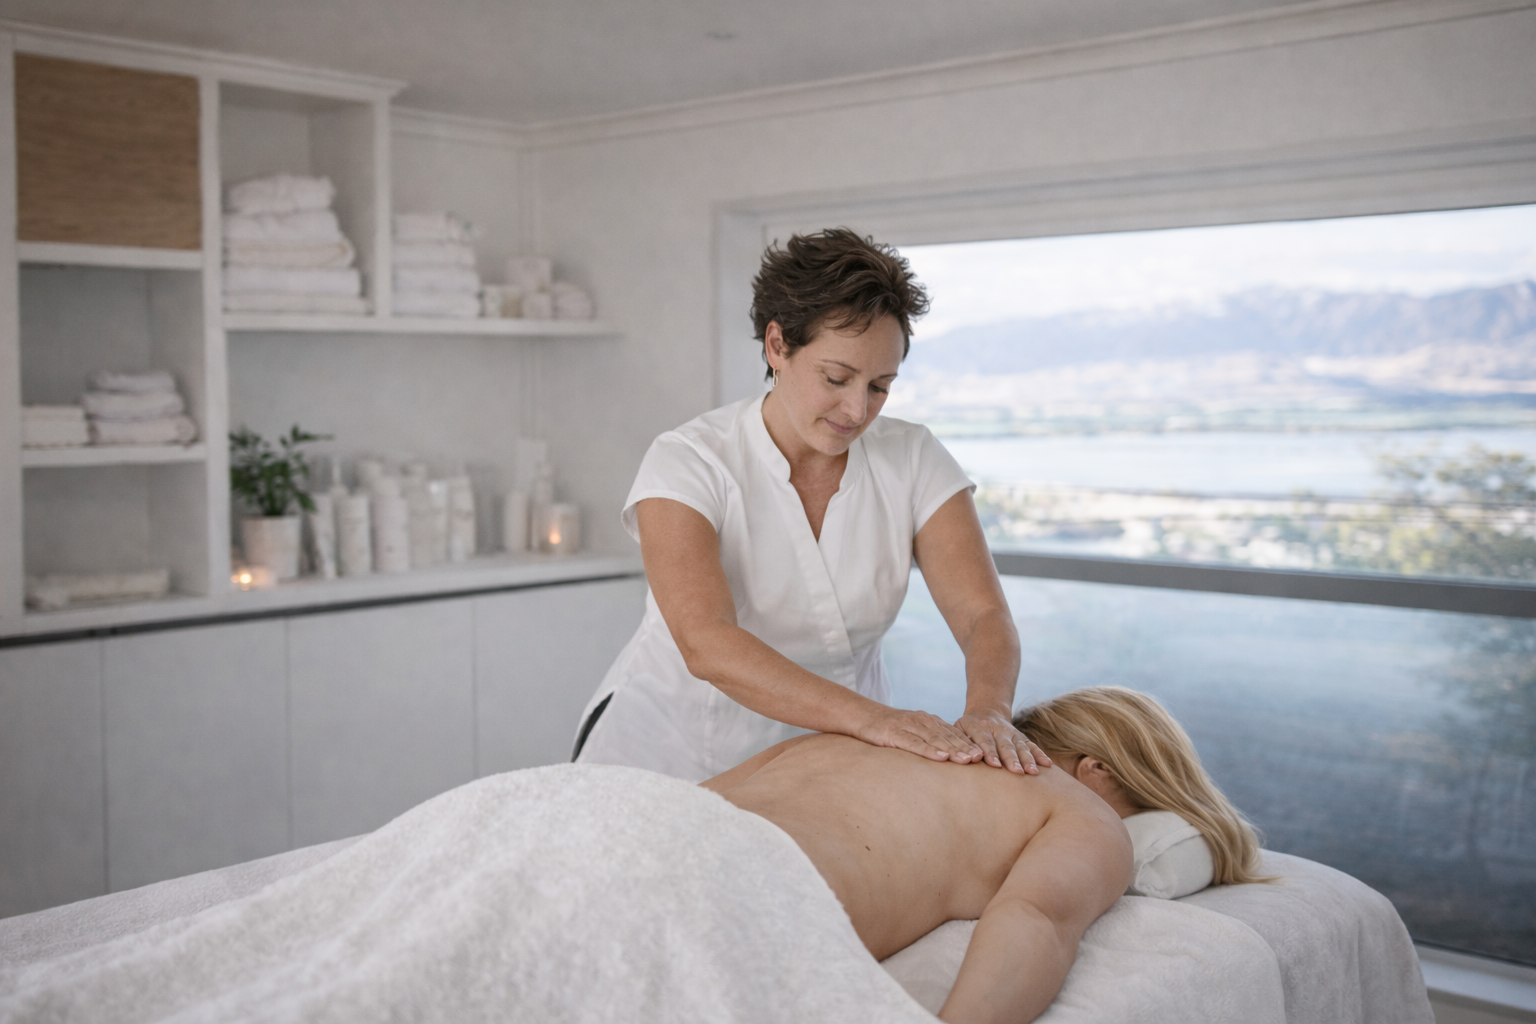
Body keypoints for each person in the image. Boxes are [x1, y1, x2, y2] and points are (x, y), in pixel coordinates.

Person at [575, 227, 1048, 782]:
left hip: (836, 761)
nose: (856, 408)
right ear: (778, 345)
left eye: (879, 386)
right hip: (673, 753)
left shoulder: (912, 457)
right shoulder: (688, 460)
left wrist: (988, 713)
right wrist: (878, 721)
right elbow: (706, 642)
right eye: (837, 377)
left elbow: (983, 615)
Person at [701, 685, 1266, 1024]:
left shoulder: (859, 736)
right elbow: (1031, 919)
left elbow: (686, 806)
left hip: (645, 826)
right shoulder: (1081, 811)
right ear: (1095, 769)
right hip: (747, 893)